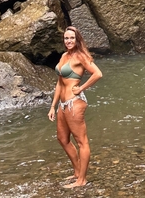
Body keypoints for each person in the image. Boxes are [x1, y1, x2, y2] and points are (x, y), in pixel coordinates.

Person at [48, 26, 103, 188]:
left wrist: (81, 88)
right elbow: (59, 83)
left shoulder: (80, 56)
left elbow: (98, 74)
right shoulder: (64, 56)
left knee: (81, 142)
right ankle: (77, 172)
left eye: (72, 38)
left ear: (77, 39)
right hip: (62, 104)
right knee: (62, 139)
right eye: (66, 38)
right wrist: (53, 106)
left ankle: (82, 180)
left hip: (75, 102)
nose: (69, 41)